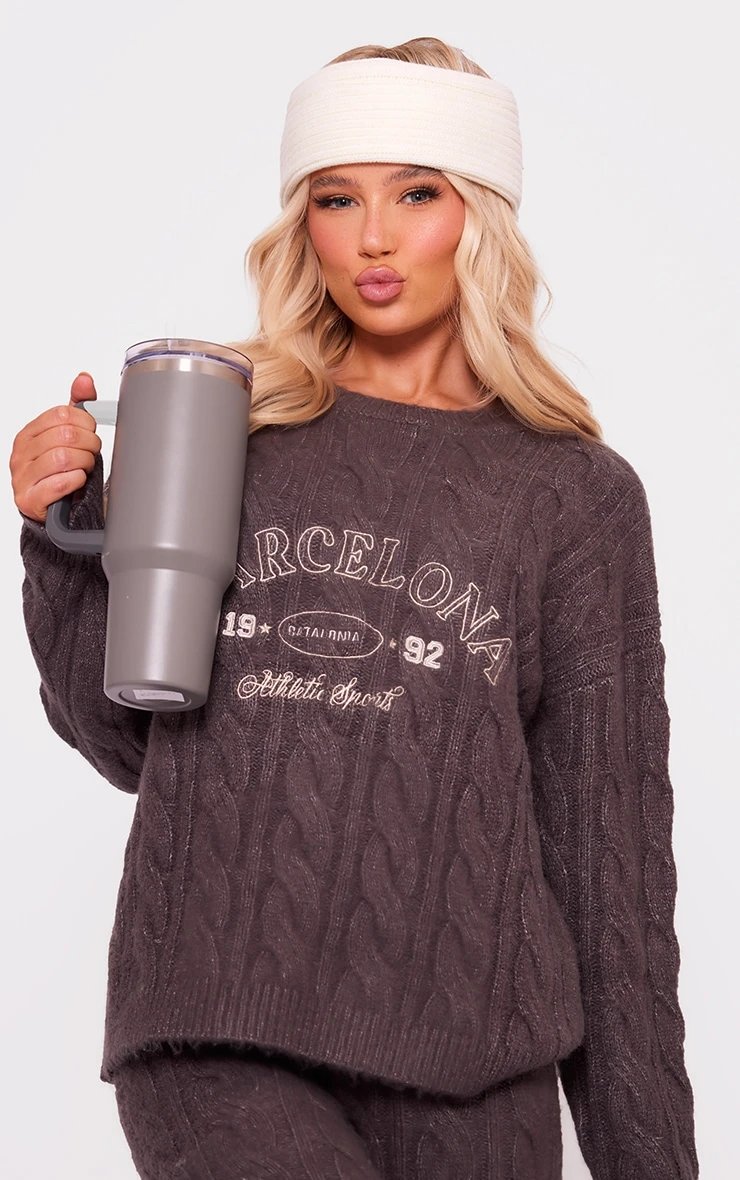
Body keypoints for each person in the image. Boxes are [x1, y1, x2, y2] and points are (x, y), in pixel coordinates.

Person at [10, 35, 699, 1180]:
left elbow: (606, 866)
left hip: (478, 1068)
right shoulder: (221, 427)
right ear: (305, 224)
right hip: (213, 1027)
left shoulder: (572, 497)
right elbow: (130, 738)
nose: (372, 237)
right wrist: (63, 535)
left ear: (477, 212)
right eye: (336, 199)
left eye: (414, 193)